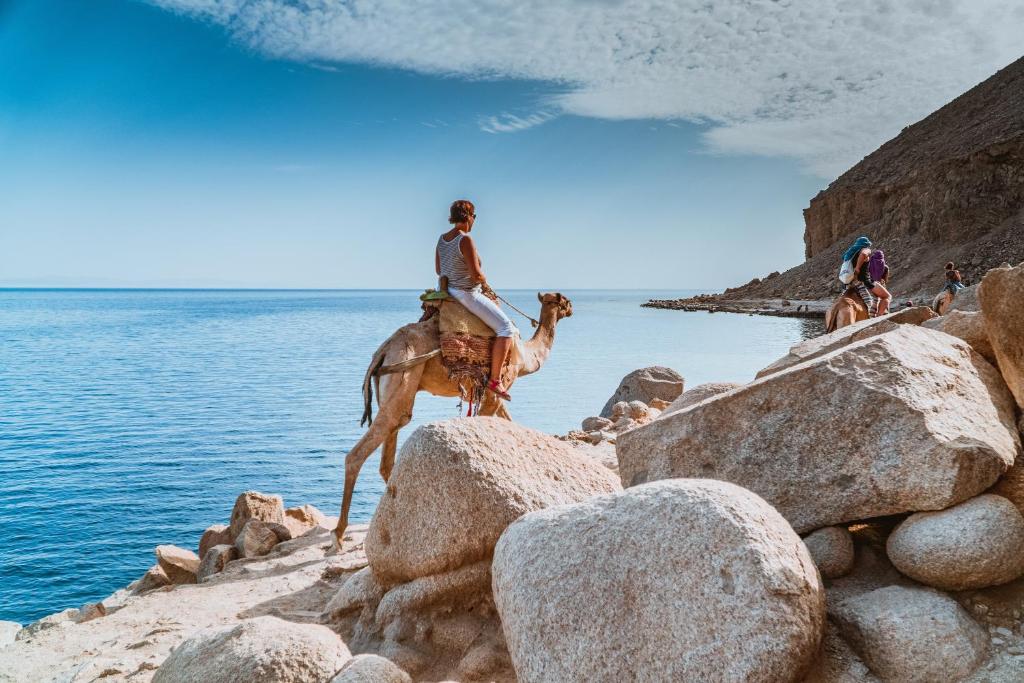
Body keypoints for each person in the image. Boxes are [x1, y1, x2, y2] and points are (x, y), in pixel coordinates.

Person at [435, 199, 517, 400]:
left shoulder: (442, 239)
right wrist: (484, 280)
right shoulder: (465, 240)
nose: (474, 220)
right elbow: (476, 275)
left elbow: (439, 270)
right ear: (469, 216)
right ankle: (495, 380)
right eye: (474, 216)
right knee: (506, 329)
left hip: (447, 290)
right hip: (466, 292)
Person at [841, 236, 891, 317]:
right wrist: (857, 268)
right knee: (886, 296)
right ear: (866, 245)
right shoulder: (865, 249)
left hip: (847, 283)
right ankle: (878, 318)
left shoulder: (850, 254)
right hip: (863, 281)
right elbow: (863, 254)